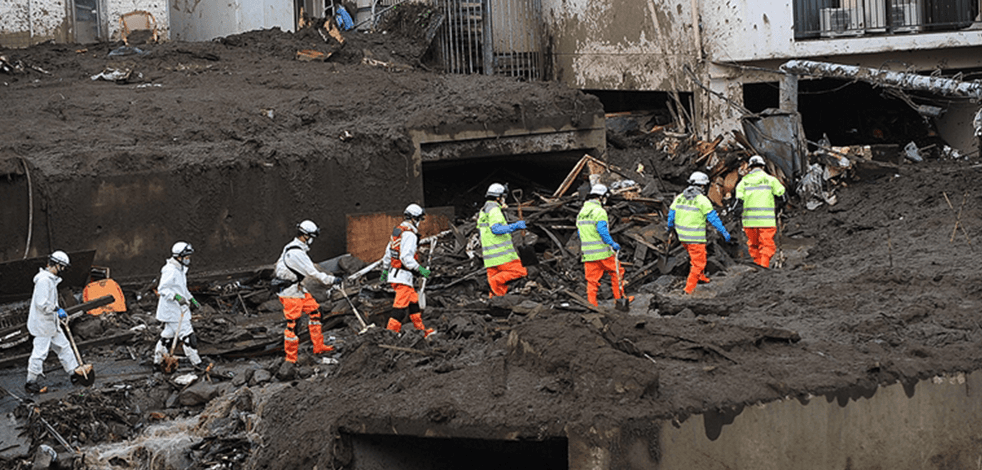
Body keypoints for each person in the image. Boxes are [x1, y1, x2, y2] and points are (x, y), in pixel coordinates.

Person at [274, 220, 342, 363]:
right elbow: (312, 273)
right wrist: (331, 280)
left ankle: (318, 346)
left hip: (297, 288)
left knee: (315, 312)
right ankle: (291, 359)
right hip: (290, 293)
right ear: (306, 236)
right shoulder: (297, 253)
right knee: (292, 326)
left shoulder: (293, 248)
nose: (312, 240)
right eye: (312, 237)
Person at [25, 251, 85, 393]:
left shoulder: (50, 279)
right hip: (42, 325)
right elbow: (41, 303)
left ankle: (74, 373)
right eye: (62, 267)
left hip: (51, 323)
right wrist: (57, 309)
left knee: (64, 347)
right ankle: (30, 381)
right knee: (40, 353)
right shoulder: (44, 281)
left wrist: (57, 314)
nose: (63, 270)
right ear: (57, 265)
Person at [667, 171, 732, 295]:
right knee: (698, 263)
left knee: (695, 256)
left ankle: (701, 277)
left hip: (682, 237)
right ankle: (689, 290)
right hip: (695, 237)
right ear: (702, 186)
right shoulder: (702, 200)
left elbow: (671, 215)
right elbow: (713, 218)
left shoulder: (680, 197)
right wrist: (724, 232)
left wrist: (669, 228)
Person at [380, 204, 434, 336]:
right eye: (420, 220)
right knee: (399, 308)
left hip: (396, 274)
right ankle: (390, 334)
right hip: (402, 277)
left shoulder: (397, 232)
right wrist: (420, 269)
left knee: (413, 302)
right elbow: (406, 258)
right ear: (415, 219)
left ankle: (421, 330)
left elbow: (388, 253)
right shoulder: (410, 235)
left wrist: (385, 271)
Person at [153, 242, 205, 371]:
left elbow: (181, 288)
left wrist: (191, 299)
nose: (188, 259)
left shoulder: (180, 269)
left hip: (175, 311)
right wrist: (177, 297)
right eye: (186, 257)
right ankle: (197, 364)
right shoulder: (170, 270)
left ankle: (157, 363)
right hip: (173, 310)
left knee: (167, 337)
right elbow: (163, 289)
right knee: (188, 336)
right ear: (178, 257)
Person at [576, 184, 626, 307]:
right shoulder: (599, 211)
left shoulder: (581, 213)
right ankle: (619, 300)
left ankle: (592, 305)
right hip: (603, 252)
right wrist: (612, 243)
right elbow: (602, 230)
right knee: (617, 272)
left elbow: (579, 233)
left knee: (592, 281)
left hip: (588, 254)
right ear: (601, 197)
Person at [477, 183, 528, 297]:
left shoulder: (484, 210)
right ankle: (490, 282)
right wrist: (515, 226)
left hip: (490, 257)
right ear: (498, 197)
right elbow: (496, 229)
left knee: (496, 289)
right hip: (502, 256)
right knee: (520, 271)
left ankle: (495, 303)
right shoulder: (494, 210)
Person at [735, 155, 787, 268]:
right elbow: (783, 196)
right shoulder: (771, 180)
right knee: (767, 245)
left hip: (749, 222)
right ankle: (764, 267)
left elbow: (737, 203)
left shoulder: (743, 182)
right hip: (766, 221)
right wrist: (779, 208)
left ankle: (757, 267)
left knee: (754, 245)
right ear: (763, 167)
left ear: (750, 168)